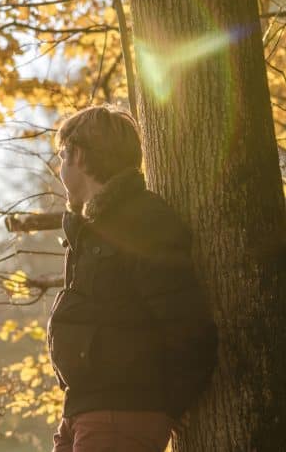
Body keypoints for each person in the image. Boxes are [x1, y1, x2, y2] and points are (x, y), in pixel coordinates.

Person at [46, 105, 217, 452]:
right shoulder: (89, 231)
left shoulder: (142, 221)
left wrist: (172, 403)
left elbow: (187, 323)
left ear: (79, 156)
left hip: (120, 414)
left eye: (63, 155)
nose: (59, 167)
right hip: (83, 407)